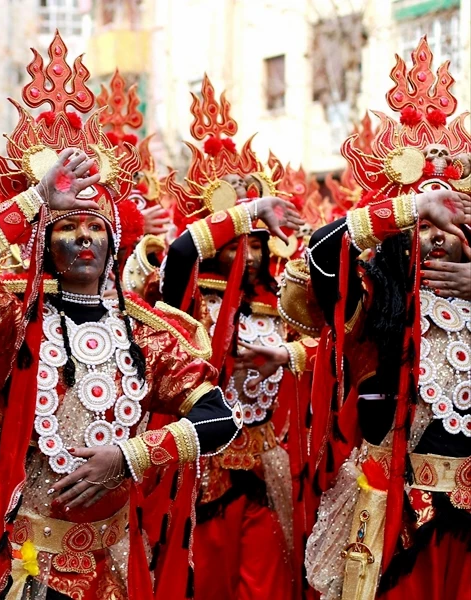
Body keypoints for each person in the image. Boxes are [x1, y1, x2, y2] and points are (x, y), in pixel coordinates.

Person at [0, 33, 242, 600]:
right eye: (68, 228)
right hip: (24, 564)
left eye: (96, 226)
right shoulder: (12, 319)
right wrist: (34, 203)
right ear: (46, 242)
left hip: (114, 568)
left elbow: (220, 419)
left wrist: (130, 455)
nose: (84, 238)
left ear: (115, 241)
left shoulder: (146, 333)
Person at [303, 38, 471, 600]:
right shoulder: (376, 294)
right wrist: (407, 206)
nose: (436, 238)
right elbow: (322, 255)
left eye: (448, 223)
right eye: (424, 225)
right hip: (397, 515)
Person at [160, 73, 310, 599]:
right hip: (204, 471)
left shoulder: (283, 300)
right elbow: (179, 253)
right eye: (236, 239)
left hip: (266, 469)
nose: (247, 250)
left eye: (257, 240)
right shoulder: (181, 301)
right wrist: (245, 211)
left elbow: (333, 346)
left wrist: (285, 354)